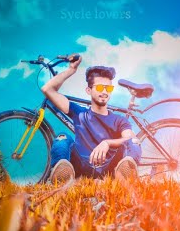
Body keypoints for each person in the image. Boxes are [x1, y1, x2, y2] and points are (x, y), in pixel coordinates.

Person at [42, 55, 141, 183]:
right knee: (62, 137)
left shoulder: (119, 120)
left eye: (108, 88)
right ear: (88, 90)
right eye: (100, 87)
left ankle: (125, 179)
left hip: (110, 168)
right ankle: (62, 178)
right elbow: (47, 89)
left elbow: (129, 138)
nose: (105, 92)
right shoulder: (78, 112)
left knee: (134, 140)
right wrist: (71, 70)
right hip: (81, 165)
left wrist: (107, 143)